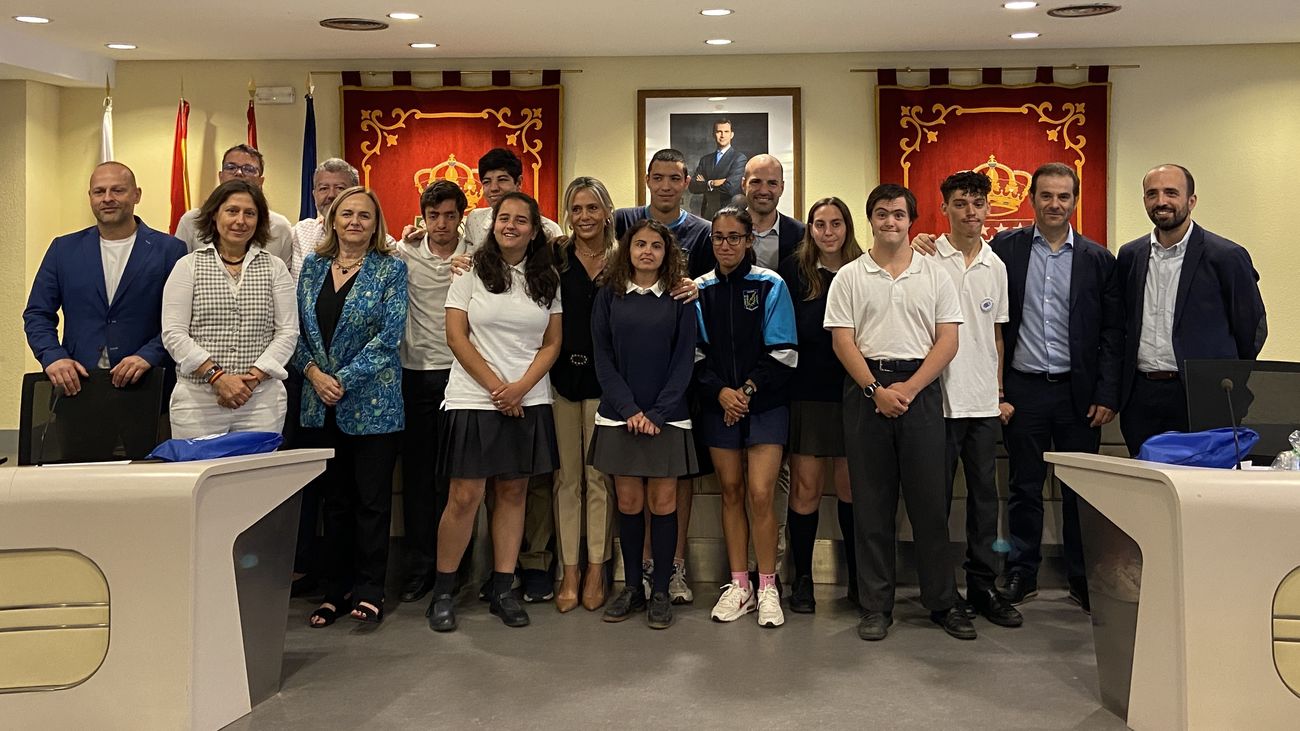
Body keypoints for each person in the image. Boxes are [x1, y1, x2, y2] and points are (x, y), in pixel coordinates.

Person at [825, 184, 972, 641]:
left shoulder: (935, 275)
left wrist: (908, 388)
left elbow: (948, 340)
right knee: (871, 504)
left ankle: (942, 601)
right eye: (882, 214)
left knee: (930, 503)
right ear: (870, 219)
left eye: (899, 214)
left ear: (911, 220)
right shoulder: (849, 276)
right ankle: (875, 606)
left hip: (919, 391)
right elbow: (842, 341)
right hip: (866, 391)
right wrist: (875, 389)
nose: (890, 222)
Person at [425, 192, 563, 632]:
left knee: (513, 493)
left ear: (534, 230)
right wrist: (496, 388)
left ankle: (503, 589)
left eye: (521, 220)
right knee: (464, 497)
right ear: (493, 224)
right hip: (473, 397)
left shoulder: (547, 278)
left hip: (527, 398)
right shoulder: (469, 272)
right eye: (504, 218)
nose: (511, 226)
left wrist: (519, 389)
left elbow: (552, 343)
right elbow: (456, 336)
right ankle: (443, 592)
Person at [989, 163, 1122, 613]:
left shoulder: (1098, 259)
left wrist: (1106, 393)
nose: (1054, 204)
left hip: (1078, 395)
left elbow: (1112, 333)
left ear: (1075, 201)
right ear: (1031, 199)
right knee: (1024, 486)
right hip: (1023, 389)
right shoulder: (1004, 250)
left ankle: (1082, 577)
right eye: (1046, 195)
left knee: (1079, 490)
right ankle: (1022, 572)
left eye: (1064, 196)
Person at [913, 171, 1023, 628]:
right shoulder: (924, 257)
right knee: (935, 504)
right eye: (960, 203)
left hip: (981, 404)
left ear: (988, 209)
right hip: (936, 402)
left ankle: (982, 585)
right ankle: (942, 595)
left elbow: (995, 335)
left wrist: (998, 392)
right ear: (945, 209)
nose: (970, 212)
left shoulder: (996, 265)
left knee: (985, 502)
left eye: (978, 204)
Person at [295, 186, 408, 628]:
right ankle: (334, 591)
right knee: (334, 503)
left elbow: (389, 337)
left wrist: (341, 379)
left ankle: (369, 590)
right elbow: (295, 332)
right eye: (347, 214)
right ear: (333, 221)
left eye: (364, 215)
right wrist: (313, 374)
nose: (355, 222)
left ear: (376, 223)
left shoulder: (390, 269)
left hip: (373, 403)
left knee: (372, 503)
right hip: (318, 401)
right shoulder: (312, 267)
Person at [24, 161, 187, 454]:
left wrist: (149, 355)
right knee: (80, 479)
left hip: (148, 389)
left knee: (148, 479)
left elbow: (182, 320)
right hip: (79, 390)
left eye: (117, 190)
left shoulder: (170, 250)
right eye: (99, 192)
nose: (107, 198)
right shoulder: (63, 249)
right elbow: (37, 314)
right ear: (90, 197)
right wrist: (53, 357)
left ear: (136, 195)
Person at [613, 148, 713, 602]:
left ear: (687, 182)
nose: (666, 185)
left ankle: (673, 569)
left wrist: (697, 285)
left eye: (675, 178)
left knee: (673, 483)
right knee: (632, 491)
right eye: (659, 177)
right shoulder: (624, 220)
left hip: (680, 379)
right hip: (627, 387)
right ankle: (640, 573)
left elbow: (711, 280)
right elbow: (579, 244)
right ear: (647, 179)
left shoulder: (704, 232)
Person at [590, 219, 699, 629]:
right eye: (640, 244)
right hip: (620, 416)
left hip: (666, 418)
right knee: (629, 503)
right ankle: (633, 587)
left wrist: (657, 413)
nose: (647, 251)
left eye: (656, 245)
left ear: (666, 253)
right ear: (628, 249)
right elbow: (603, 357)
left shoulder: (680, 298)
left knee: (664, 502)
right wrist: (629, 409)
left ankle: (661, 591)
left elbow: (684, 359)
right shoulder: (610, 294)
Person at [1116, 164, 1267, 455]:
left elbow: (1251, 328)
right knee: (1145, 477)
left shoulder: (1226, 256)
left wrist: (1228, 377)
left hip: (1203, 396)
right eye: (1152, 194)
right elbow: (1122, 324)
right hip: (1141, 397)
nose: (1161, 201)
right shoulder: (1130, 255)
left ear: (1191, 200)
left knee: (1202, 478)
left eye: (1171, 193)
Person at [695, 206, 797, 628]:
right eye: (718, 237)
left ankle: (767, 585)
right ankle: (740, 586)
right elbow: (695, 353)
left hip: (766, 405)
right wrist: (721, 392)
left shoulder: (771, 284)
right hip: (718, 405)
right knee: (731, 491)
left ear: (749, 240)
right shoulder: (699, 289)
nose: (726, 245)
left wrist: (747, 391)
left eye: (734, 237)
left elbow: (784, 352)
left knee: (760, 493)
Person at [775, 197, 862, 614]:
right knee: (806, 489)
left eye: (836, 223)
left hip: (854, 390)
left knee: (851, 489)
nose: (828, 232)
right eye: (819, 224)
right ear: (809, 229)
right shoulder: (793, 271)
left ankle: (859, 579)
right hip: (807, 391)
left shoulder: (864, 268)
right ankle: (803, 579)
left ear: (848, 227)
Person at [160, 180, 297, 438]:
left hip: (261, 401)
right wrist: (218, 378)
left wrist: (250, 381)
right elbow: (174, 333)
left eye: (250, 213)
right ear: (214, 215)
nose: (240, 221)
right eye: (232, 211)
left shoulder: (275, 268)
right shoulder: (187, 266)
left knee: (258, 466)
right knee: (200, 465)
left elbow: (287, 333)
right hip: (198, 401)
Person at [392, 180, 469, 604]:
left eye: (449, 216)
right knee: (419, 478)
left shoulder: (475, 256)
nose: (441, 224)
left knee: (456, 479)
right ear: (422, 218)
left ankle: (455, 569)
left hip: (463, 377)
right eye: (433, 216)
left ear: (461, 217)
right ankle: (420, 566)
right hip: (416, 374)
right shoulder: (403, 254)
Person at [549, 176, 618, 613]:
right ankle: (569, 570)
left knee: (598, 479)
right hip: (559, 380)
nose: (584, 216)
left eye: (592, 208)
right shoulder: (554, 257)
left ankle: (596, 567)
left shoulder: (622, 258)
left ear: (607, 212)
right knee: (566, 478)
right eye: (576, 209)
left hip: (606, 383)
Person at [175, 144, 294, 267]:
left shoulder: (280, 227)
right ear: (221, 176)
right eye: (231, 167)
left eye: (248, 169)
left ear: (260, 181)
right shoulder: (191, 220)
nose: (238, 173)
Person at [691, 154, 805, 275]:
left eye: (772, 183)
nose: (763, 191)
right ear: (743, 184)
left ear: (781, 188)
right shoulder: (717, 234)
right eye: (756, 182)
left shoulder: (801, 235)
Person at [461, 147, 563, 251]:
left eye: (502, 180)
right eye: (487, 182)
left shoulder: (548, 230)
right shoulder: (475, 219)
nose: (493, 188)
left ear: (519, 182)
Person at [291, 158, 360, 280]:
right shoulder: (300, 232)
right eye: (323, 188)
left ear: (356, 194)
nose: (331, 195)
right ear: (314, 195)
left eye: (340, 188)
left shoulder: (380, 242)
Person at [689, 118, 747, 220]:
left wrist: (705, 183)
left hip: (729, 214)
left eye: (726, 131)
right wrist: (712, 183)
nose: (722, 135)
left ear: (731, 135)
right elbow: (693, 186)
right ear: (713, 134)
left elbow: (730, 189)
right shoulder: (705, 160)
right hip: (707, 213)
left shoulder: (739, 158)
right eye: (719, 131)